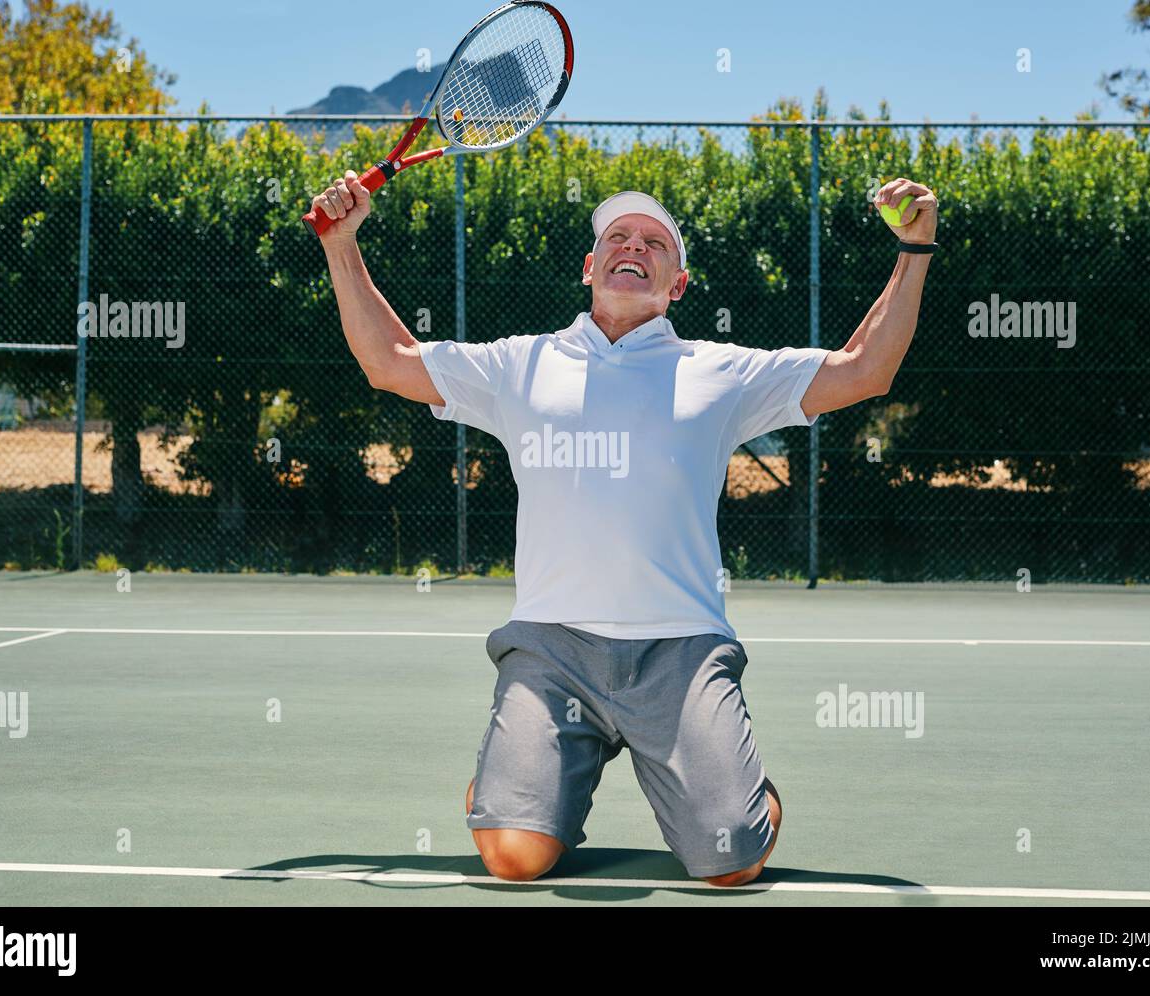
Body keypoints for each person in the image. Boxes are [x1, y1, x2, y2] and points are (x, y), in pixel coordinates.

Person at [309, 173, 938, 886]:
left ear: (678, 284)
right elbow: (388, 363)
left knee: (734, 862)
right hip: (552, 650)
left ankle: (730, 784)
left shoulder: (719, 372)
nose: (632, 246)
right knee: (514, 861)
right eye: (616, 237)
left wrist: (914, 250)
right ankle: (516, 788)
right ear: (589, 267)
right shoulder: (519, 363)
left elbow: (866, 370)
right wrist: (341, 245)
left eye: (653, 243)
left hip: (681, 649)